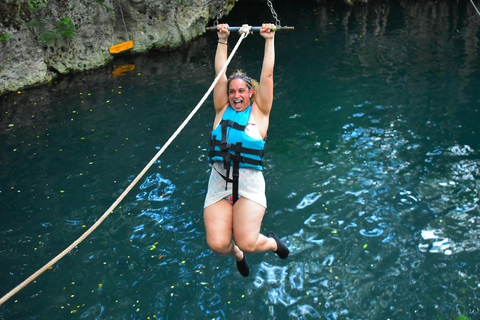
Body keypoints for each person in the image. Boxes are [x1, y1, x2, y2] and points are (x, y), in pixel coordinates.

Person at [203, 23, 289, 277]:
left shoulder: (260, 113)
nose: (236, 95)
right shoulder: (221, 110)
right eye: (232, 92)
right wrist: (222, 39)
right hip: (219, 185)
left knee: (248, 242)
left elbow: (268, 76)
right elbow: (220, 74)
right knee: (218, 244)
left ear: (251, 93)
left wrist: (269, 40)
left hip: (250, 186)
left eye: (241, 91)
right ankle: (237, 255)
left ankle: (272, 243)